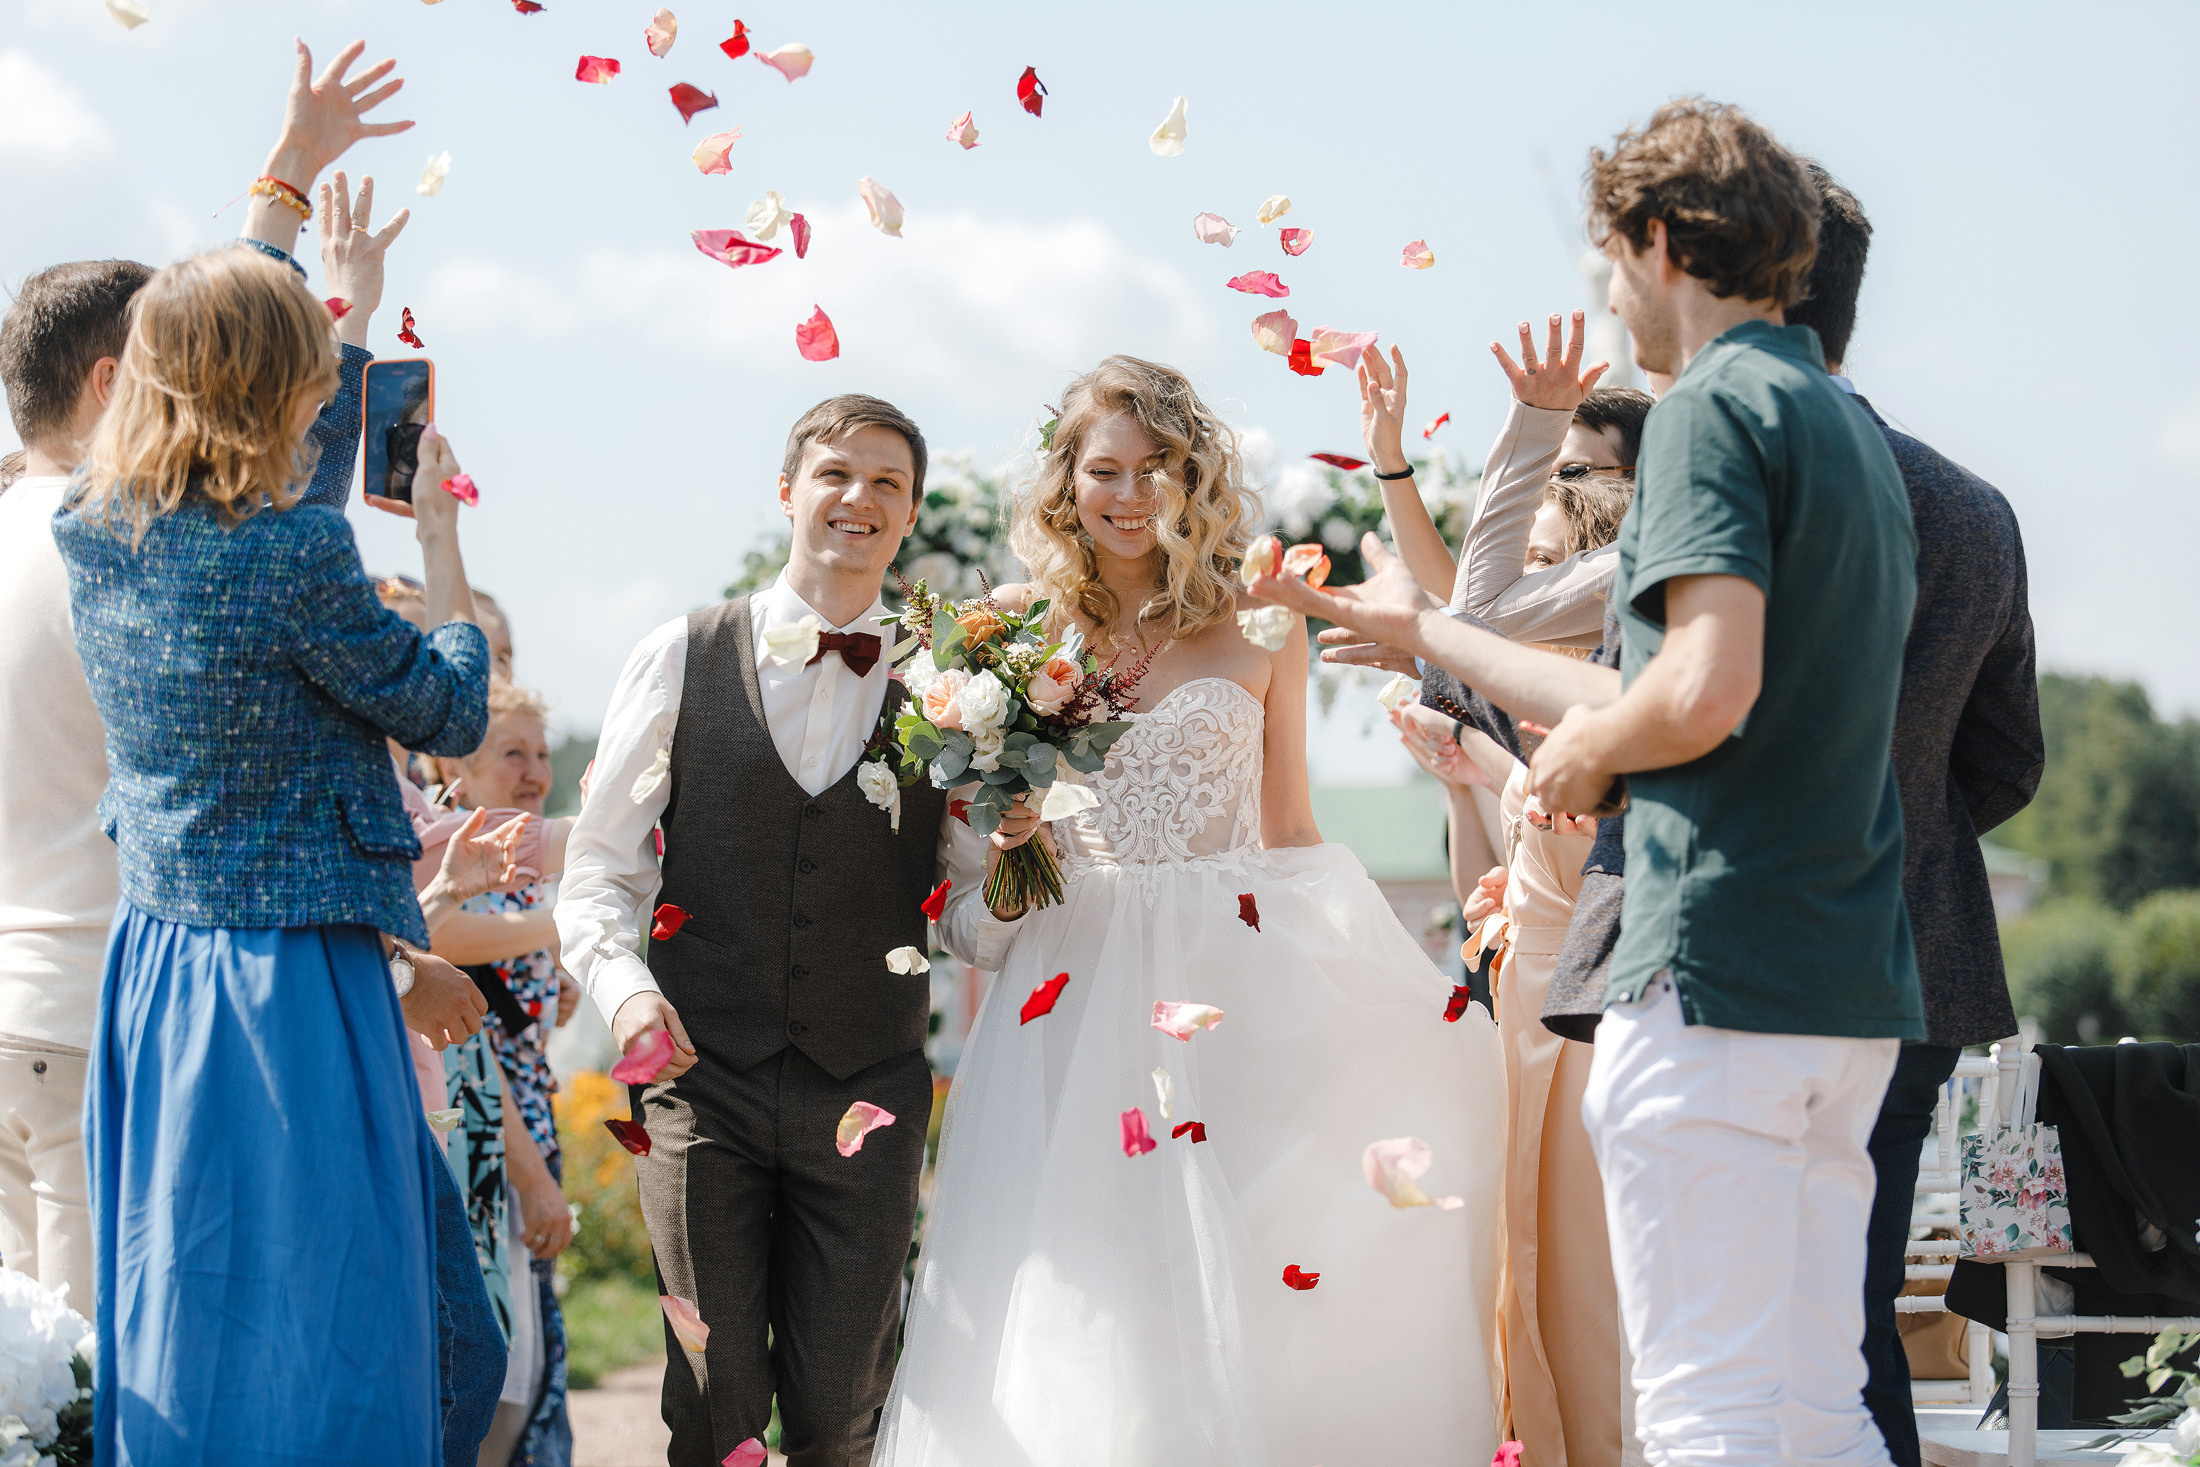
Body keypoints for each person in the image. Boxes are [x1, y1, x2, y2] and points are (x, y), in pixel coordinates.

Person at [1255, 98, 1924, 1467]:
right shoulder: (1845, 426)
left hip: (1720, 969)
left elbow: (1700, 688)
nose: (1609, 297)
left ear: (1660, 243)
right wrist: (1444, 637)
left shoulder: (1714, 409)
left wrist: (1581, 742)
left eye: (1607, 262)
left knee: (1701, 1411)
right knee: (1817, 1407)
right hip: (1847, 977)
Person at [876, 356, 1505, 1466]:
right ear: (1066, 483)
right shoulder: (1008, 631)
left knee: (1242, 1261)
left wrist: (1387, 988)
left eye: (1155, 467)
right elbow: (977, 879)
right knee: (1087, 1273)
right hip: (1068, 986)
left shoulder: (1263, 622)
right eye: (1103, 470)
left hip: (1226, 983)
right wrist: (1017, 836)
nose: (1129, 495)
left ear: (1194, 476)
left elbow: (1290, 828)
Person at [51, 41, 498, 1460]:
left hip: (160, 960)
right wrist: (442, 562)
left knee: (199, 1312)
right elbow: (448, 714)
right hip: (290, 976)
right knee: (336, 1328)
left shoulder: (94, 524)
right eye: (311, 372)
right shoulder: (296, 556)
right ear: (277, 389)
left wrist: (288, 197)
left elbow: (222, 383)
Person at [555, 395, 979, 1467]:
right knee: (716, 1404)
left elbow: (974, 913)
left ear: (911, 513)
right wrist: (627, 995)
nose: (859, 497)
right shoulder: (680, 654)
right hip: (703, 1086)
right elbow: (597, 869)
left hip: (870, 1082)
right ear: (788, 492)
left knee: (843, 1410)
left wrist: (1020, 858)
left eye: (887, 482)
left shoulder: (952, 687)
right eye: (836, 472)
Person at [1783, 164, 2044, 1467]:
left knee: (1743, 1315)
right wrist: (1911, 836)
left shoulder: (1739, 476)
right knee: (1856, 1310)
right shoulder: (1973, 506)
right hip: (1919, 960)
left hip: (1753, 958)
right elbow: (2008, 760)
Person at [434, 678, 577, 1467]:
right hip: (484, 1151)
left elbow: (517, 1024)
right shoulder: (455, 879)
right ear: (454, 765)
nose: (534, 772)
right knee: (493, 1381)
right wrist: (531, 1177)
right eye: (512, 753)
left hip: (520, 1137)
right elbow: (474, 1049)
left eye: (542, 753)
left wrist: (558, 985)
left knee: (520, 1378)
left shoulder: (521, 883)